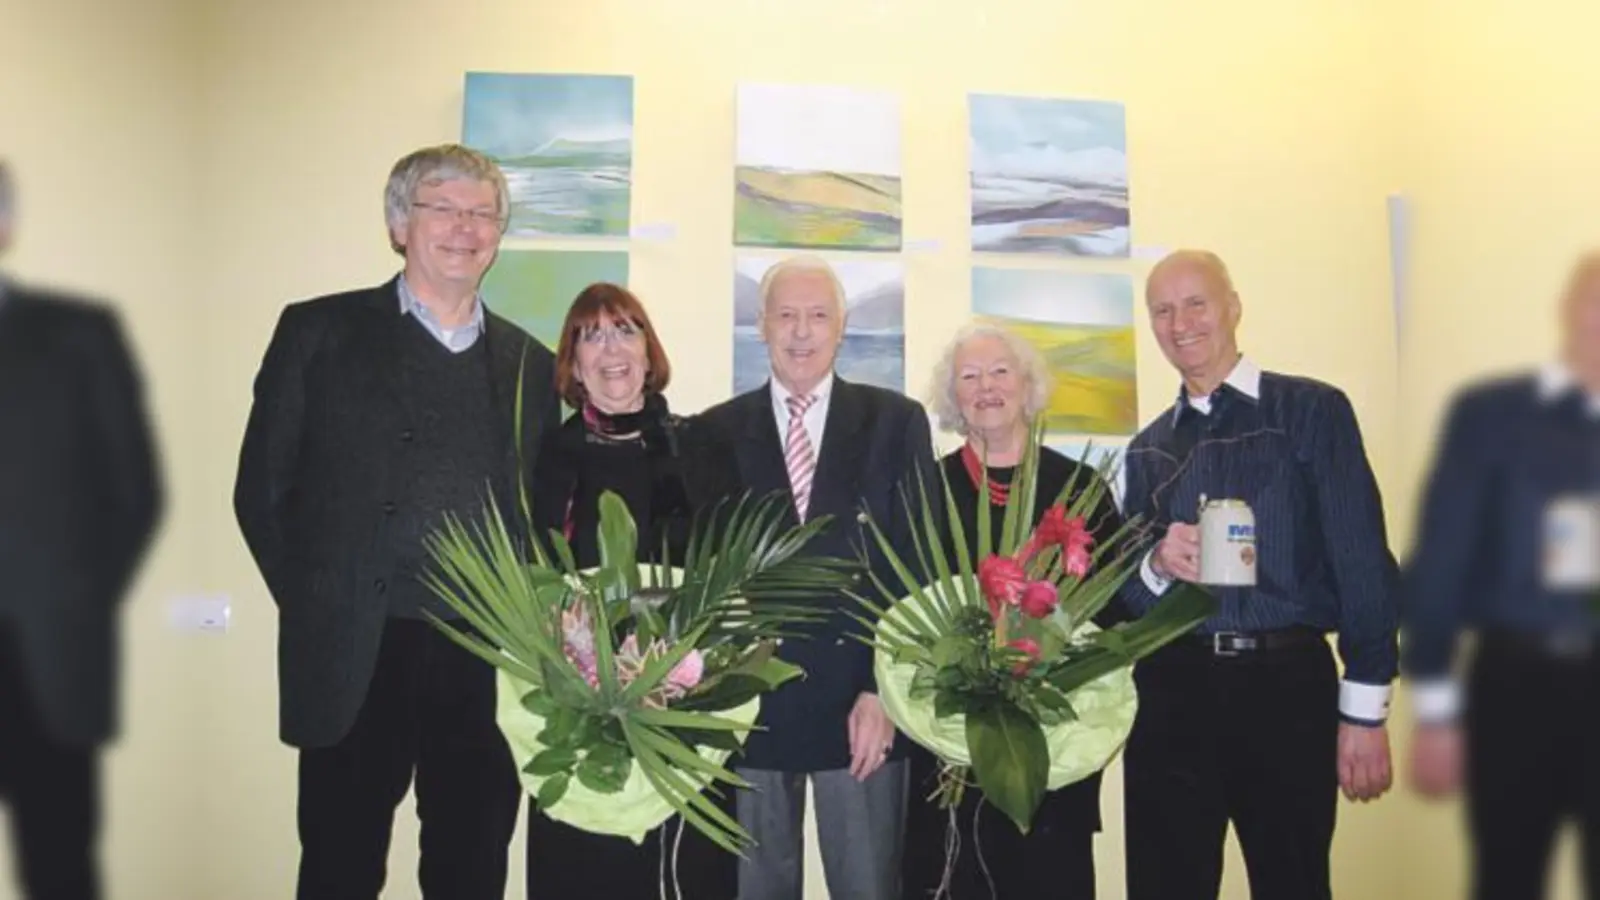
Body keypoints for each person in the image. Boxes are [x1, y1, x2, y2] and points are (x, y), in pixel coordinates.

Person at [233, 144, 560, 900]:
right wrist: (323, 602)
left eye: (482, 213)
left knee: (470, 865)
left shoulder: (531, 365)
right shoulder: (317, 334)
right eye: (442, 207)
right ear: (398, 225)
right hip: (356, 651)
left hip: (483, 654)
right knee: (339, 866)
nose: (464, 227)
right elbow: (262, 491)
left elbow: (542, 515)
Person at [1118, 249, 1399, 900]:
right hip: (1172, 689)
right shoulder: (1147, 448)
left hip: (1287, 688)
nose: (1180, 322)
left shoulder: (1311, 411)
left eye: (1196, 303)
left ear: (1233, 307)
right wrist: (1157, 563)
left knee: (1292, 883)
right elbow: (1128, 600)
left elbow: (1362, 558)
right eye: (1162, 310)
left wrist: (1364, 711)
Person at [697, 254, 939, 900]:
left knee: (868, 888)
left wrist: (883, 690)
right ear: (760, 325)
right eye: (785, 316)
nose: (801, 332)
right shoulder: (713, 433)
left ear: (842, 326)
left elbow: (919, 568)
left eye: (817, 316)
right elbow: (702, 579)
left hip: (860, 709)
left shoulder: (897, 422)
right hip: (750, 710)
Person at [523, 281, 745, 899]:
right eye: (590, 335)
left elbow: (733, 577)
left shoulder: (699, 443)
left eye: (626, 329)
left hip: (688, 710)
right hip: (582, 713)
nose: (611, 348)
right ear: (573, 363)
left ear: (649, 351)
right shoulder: (552, 454)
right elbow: (537, 575)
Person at [900, 323, 1126, 899]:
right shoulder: (928, 488)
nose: (986, 387)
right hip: (949, 752)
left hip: (1053, 754)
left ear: (1028, 387)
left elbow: (1114, 613)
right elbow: (903, 617)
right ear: (954, 398)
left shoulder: (1078, 486)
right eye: (969, 377)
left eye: (1001, 371)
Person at [1403, 252, 1600, 899]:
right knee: (1507, 882)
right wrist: (1435, 711)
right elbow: (1441, 561)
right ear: (1569, 306)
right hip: (1515, 688)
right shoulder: (1491, 415)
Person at [0, 159, 163, 900]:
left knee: (60, 865)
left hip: (49, 660)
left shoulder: (79, 334)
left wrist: (73, 597)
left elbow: (134, 493)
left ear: (7, 226)